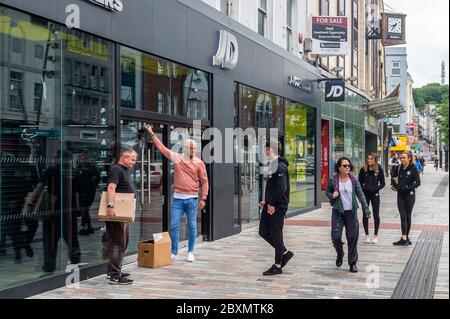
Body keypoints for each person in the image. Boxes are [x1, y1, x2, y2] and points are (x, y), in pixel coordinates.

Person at [144, 124, 209, 262]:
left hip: (192, 199)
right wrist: (152, 133)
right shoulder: (177, 158)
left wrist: (203, 198)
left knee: (192, 225)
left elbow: (204, 182)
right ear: (185, 148)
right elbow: (162, 148)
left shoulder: (199, 163)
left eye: (195, 148)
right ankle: (174, 250)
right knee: (174, 225)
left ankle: (190, 251)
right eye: (191, 148)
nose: (193, 150)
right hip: (178, 199)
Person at [326, 157, 371, 273]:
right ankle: (340, 254)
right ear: (339, 167)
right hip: (338, 212)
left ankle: (352, 263)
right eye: (344, 166)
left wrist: (366, 210)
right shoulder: (333, 180)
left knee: (352, 237)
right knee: (335, 236)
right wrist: (333, 195)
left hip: (351, 213)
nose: (347, 168)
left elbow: (361, 195)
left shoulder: (353, 180)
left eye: (348, 166)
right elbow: (327, 192)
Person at [258, 140, 294, 276]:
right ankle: (284, 252)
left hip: (277, 207)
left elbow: (281, 188)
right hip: (270, 205)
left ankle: (278, 264)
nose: (264, 152)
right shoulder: (273, 165)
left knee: (276, 234)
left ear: (270, 150)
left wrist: (271, 203)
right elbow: (272, 186)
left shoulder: (280, 167)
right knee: (263, 231)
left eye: (265, 149)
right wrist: (265, 201)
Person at [105, 148, 137, 285]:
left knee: (123, 242)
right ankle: (114, 276)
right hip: (116, 213)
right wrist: (110, 207)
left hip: (123, 214)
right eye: (132, 159)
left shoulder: (123, 170)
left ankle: (114, 270)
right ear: (124, 158)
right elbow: (111, 188)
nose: (134, 162)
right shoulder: (116, 169)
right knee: (118, 243)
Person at [391, 151, 421, 246]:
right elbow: (393, 177)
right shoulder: (399, 167)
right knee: (402, 216)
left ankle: (405, 237)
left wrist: (408, 187)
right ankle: (404, 237)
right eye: (401, 158)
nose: (402, 159)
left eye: (404, 158)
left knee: (407, 216)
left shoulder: (413, 168)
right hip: (400, 195)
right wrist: (395, 186)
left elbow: (418, 182)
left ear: (409, 158)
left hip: (410, 195)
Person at [358, 153, 385, 244]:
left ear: (375, 160)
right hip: (365, 194)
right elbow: (359, 182)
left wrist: (375, 189)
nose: (369, 160)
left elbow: (383, 183)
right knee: (365, 214)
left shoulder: (379, 169)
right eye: (368, 158)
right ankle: (367, 235)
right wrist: (364, 187)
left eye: (371, 158)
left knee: (376, 214)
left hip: (375, 194)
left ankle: (375, 235)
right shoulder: (363, 169)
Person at [74, 152, 100, 235]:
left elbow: (98, 177)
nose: (82, 159)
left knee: (85, 209)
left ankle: (84, 226)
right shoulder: (78, 168)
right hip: (81, 191)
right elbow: (76, 180)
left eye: (84, 158)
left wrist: (94, 185)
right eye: (81, 158)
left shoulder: (92, 167)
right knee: (85, 209)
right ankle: (88, 226)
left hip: (89, 191)